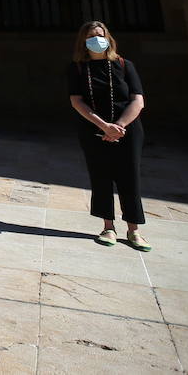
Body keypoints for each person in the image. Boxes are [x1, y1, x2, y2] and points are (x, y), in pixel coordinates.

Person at [68, 20, 150, 251]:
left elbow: (138, 100)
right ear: (84, 42)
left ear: (108, 38)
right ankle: (108, 227)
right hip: (94, 129)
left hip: (128, 130)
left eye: (100, 35)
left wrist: (119, 126)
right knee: (101, 176)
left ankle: (134, 230)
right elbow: (76, 101)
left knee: (130, 177)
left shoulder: (124, 65)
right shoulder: (77, 69)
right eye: (92, 36)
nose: (97, 39)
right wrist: (104, 126)